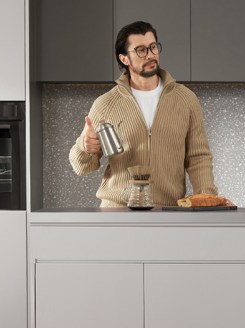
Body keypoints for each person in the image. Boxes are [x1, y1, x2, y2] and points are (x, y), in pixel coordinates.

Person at [69, 21, 217, 208]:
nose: (150, 55)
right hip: (117, 211)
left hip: (168, 210)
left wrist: (207, 198)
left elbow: (198, 156)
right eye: (140, 50)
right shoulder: (105, 104)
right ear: (124, 59)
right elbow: (82, 168)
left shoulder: (186, 99)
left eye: (153, 47)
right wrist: (85, 146)